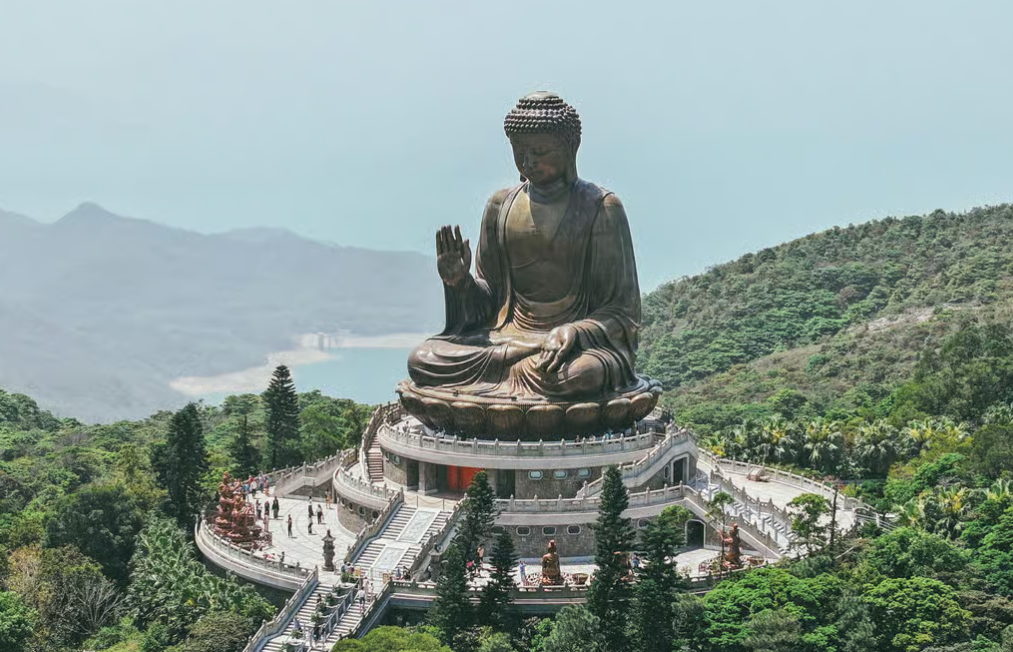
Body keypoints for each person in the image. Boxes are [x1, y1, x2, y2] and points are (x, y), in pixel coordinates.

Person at [402, 92, 653, 434]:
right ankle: (511, 392)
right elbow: (490, 304)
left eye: (540, 152)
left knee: (582, 376)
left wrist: (574, 330)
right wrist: (459, 282)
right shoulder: (499, 206)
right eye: (520, 152)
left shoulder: (601, 208)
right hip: (507, 341)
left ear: (569, 150)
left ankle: (500, 398)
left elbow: (622, 312)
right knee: (424, 359)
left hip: (564, 353)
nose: (528, 162)